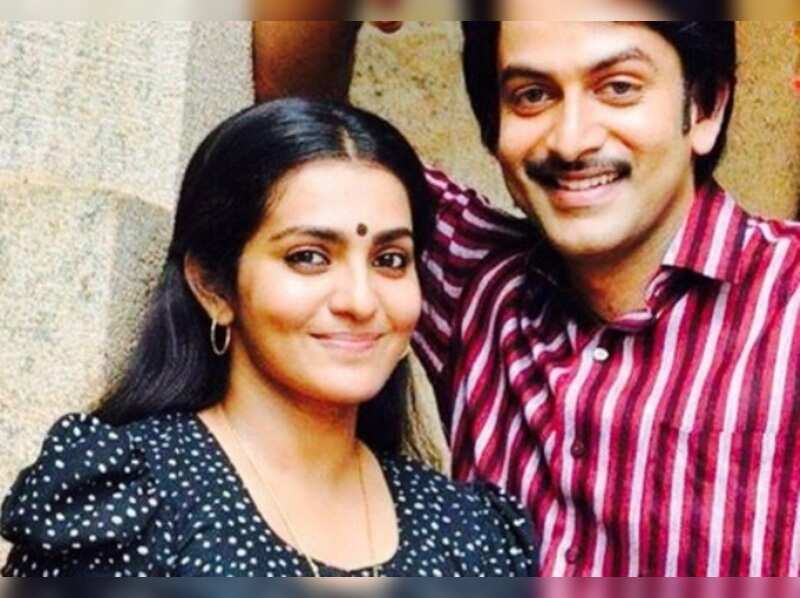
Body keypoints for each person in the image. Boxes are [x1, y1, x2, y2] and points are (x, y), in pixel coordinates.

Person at [0, 98, 537, 577]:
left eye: (390, 260)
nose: (360, 300)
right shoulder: (129, 502)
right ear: (213, 285)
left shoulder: (470, 532)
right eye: (309, 257)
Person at [410, 7, 800, 576]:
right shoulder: (478, 285)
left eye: (618, 87)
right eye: (532, 95)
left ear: (707, 106)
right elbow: (310, 153)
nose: (572, 141)